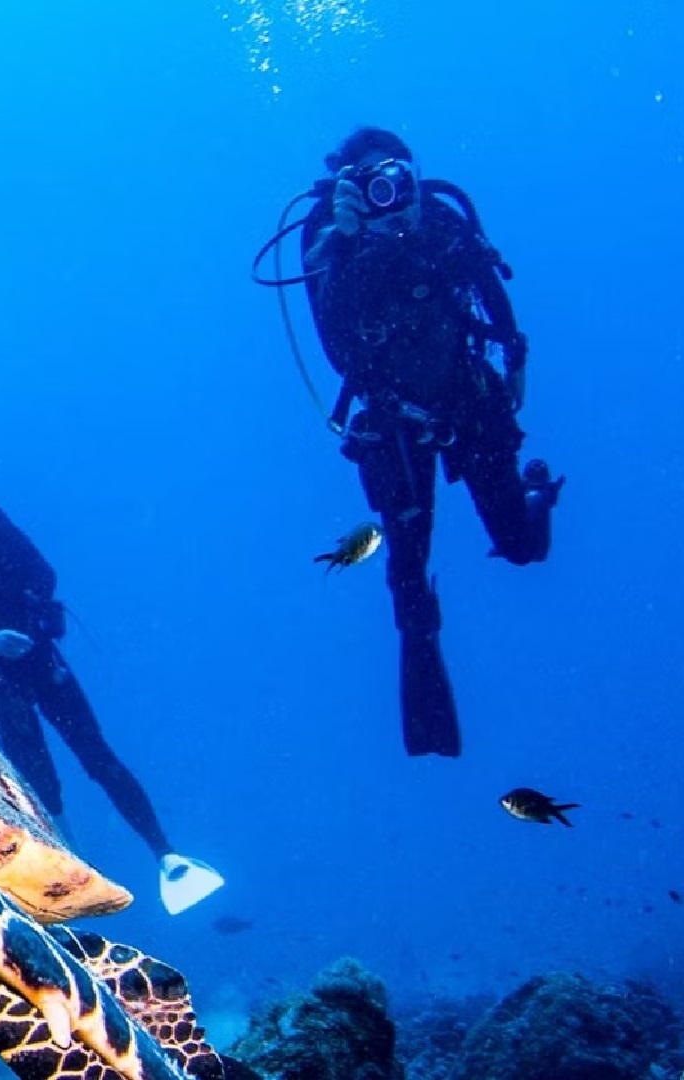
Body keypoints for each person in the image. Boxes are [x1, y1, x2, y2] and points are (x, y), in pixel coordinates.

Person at [296, 126, 564, 758]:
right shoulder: (331, 238)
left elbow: (492, 288)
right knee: (407, 579)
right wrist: (355, 245)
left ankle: (537, 497)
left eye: (398, 173)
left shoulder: (440, 218)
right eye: (371, 179)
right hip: (394, 425)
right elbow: (335, 348)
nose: (390, 188)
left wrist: (516, 350)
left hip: (470, 402)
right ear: (348, 186)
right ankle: (432, 730)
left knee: (522, 548)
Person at [0, 448, 222, 914]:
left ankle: (168, 856)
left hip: (35, 653)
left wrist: (14, 620)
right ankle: (69, 876)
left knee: (98, 756)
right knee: (38, 782)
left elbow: (42, 574)